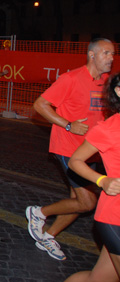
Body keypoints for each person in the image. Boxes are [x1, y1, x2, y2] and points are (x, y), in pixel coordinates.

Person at [26, 38, 115, 261]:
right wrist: (68, 124)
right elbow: (40, 105)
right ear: (92, 55)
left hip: (91, 149)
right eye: (106, 53)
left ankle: (48, 235)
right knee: (87, 201)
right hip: (68, 148)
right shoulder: (71, 78)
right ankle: (38, 213)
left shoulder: (107, 82)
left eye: (113, 54)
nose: (111, 58)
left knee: (77, 200)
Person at [65, 73, 120, 281]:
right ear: (119, 91)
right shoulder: (109, 128)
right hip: (115, 216)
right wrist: (102, 180)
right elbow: (75, 161)